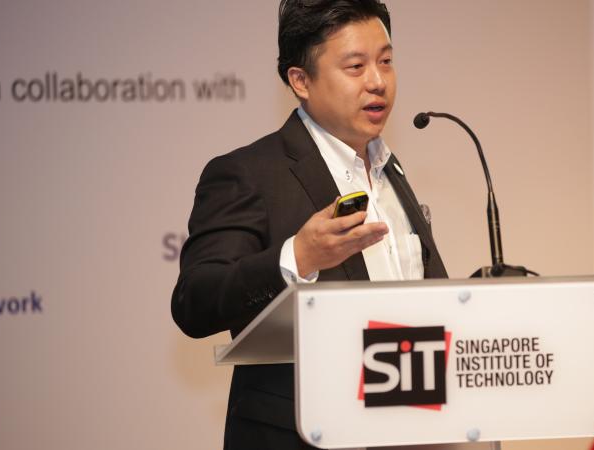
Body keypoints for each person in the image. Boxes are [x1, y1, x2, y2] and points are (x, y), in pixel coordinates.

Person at [171, 1, 447, 448]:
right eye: (355, 66)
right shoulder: (248, 173)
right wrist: (297, 258)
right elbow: (195, 301)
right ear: (301, 81)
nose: (378, 81)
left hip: (412, 430)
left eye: (386, 61)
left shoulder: (390, 170)